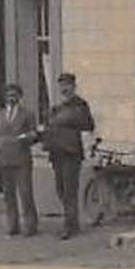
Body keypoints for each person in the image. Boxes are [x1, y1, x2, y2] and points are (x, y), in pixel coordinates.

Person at [39, 71, 94, 240]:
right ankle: (72, 222)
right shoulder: (57, 108)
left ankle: (70, 226)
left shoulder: (80, 105)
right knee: (61, 189)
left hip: (71, 153)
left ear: (74, 87)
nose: (65, 89)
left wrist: (66, 119)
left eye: (68, 86)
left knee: (70, 190)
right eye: (62, 86)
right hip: (57, 153)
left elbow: (89, 125)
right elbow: (49, 126)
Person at [0, 82, 40, 236]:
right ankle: (12, 225)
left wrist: (28, 136)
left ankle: (30, 226)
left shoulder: (27, 114)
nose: (12, 97)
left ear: (19, 97)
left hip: (22, 158)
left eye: (14, 95)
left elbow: (34, 134)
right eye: (9, 95)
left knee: (25, 193)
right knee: (8, 194)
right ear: (5, 97)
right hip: (4, 158)